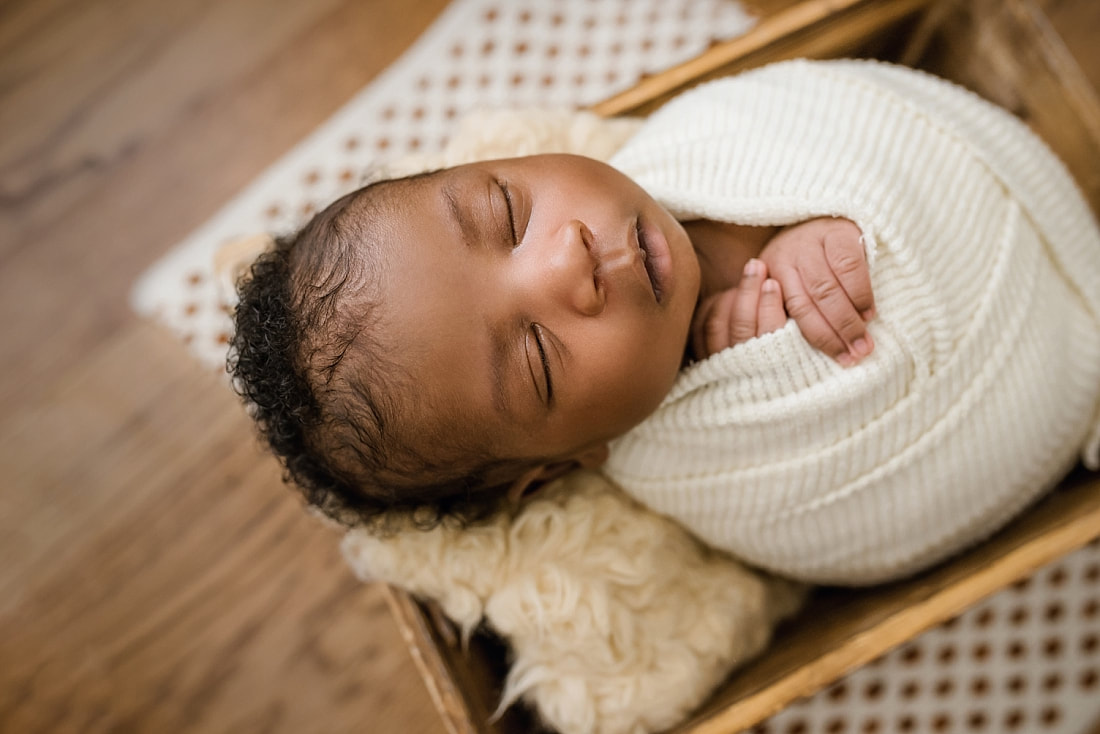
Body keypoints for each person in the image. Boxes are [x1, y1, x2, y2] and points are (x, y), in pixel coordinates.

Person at [231, 59, 1100, 583]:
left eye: (504, 212)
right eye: (536, 357)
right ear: (565, 464)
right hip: (1027, 364)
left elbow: (841, 111)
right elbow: (881, 504)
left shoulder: (698, 135)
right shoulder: (723, 482)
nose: (564, 261)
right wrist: (805, 348)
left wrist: (837, 221)